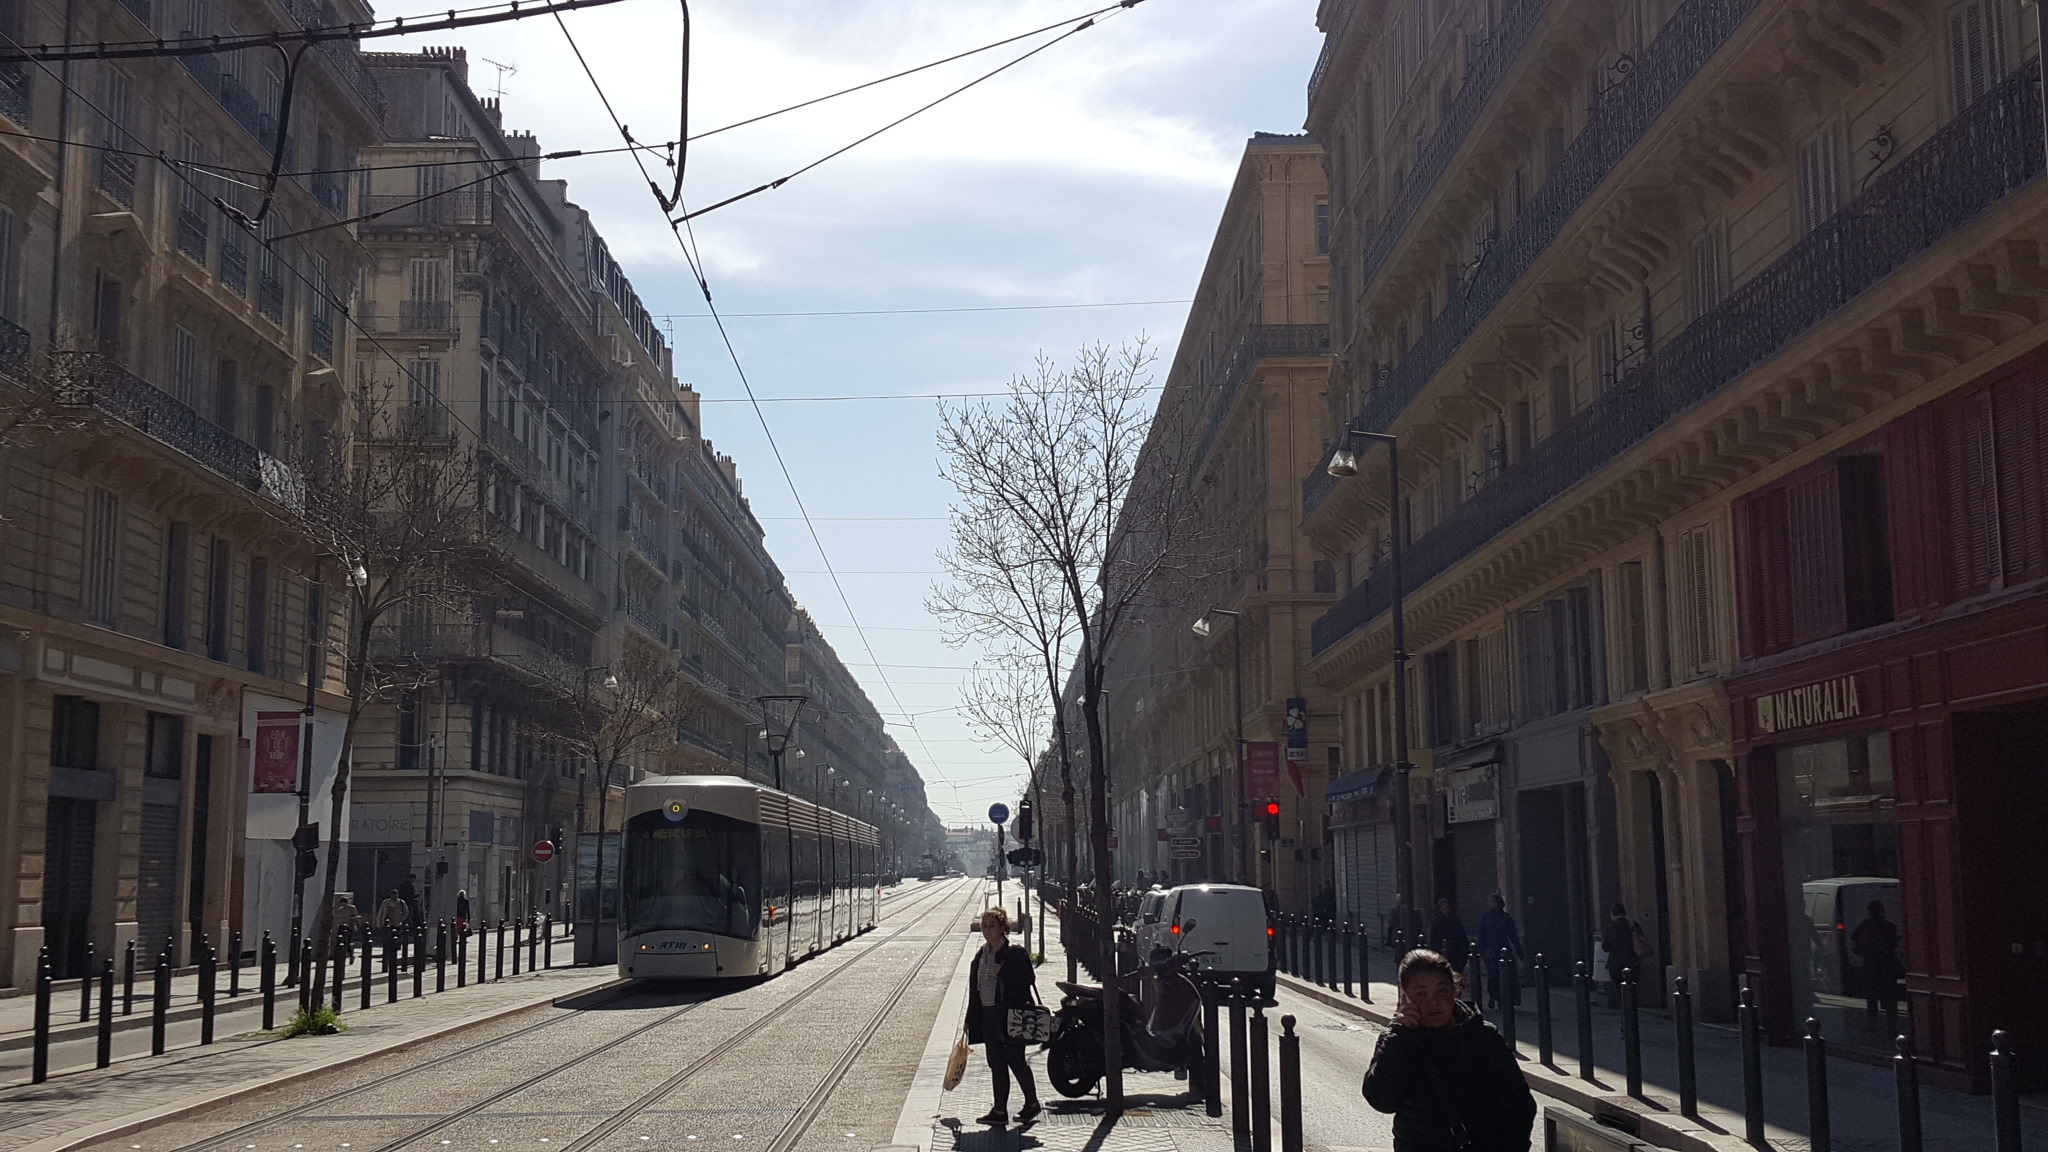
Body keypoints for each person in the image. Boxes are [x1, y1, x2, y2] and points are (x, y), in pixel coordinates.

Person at [1362, 949, 1537, 1151]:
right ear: (1405, 998)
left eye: (1442, 991)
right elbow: (1382, 1100)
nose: (1434, 1003)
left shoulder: (1482, 1037)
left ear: (1455, 990)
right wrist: (1401, 1037)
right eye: (1420, 994)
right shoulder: (1398, 1041)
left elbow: (1520, 1105)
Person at [963, 906, 1041, 1126]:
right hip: (988, 1016)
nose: (988, 931)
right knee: (996, 1063)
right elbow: (974, 989)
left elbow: (1028, 978)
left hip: (1010, 1016)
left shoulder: (1014, 953)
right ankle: (999, 1110)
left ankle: (1032, 1103)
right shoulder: (982, 954)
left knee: (1015, 1060)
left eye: (992, 926)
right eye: (984, 926)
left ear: (1003, 928)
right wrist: (970, 1018)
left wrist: (1003, 971)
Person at [1850, 900, 1904, 1023]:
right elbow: (1894, 942)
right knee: (1889, 994)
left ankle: (1873, 1021)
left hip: (1871, 964)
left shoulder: (1864, 926)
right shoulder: (1888, 926)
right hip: (1886, 964)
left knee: (1872, 995)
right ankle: (1891, 1020)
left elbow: (1854, 940)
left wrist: (1862, 951)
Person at [1475, 893, 1524, 1010]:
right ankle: (1493, 996)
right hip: (1490, 951)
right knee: (1493, 975)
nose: (1489, 904)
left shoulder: (1506, 918)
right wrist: (1482, 950)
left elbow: (1512, 935)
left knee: (1506, 976)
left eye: (1492, 901)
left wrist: (1519, 950)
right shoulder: (1485, 917)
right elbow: (1481, 934)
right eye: (1489, 901)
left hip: (1503, 951)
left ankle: (1504, 999)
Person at [1600, 904, 1642, 1009]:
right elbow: (1641, 939)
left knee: (1620, 991)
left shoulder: (1612, 928)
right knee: (1632, 988)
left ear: (1613, 915)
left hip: (1616, 964)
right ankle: (1632, 1009)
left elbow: (1605, 947)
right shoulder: (1633, 925)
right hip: (1633, 961)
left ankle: (1625, 1012)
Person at [1429, 897, 1470, 972]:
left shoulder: (1455, 920)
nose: (1446, 911)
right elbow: (1433, 940)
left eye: (1447, 908)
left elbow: (1462, 937)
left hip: (1456, 953)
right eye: (1444, 909)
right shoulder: (1437, 923)